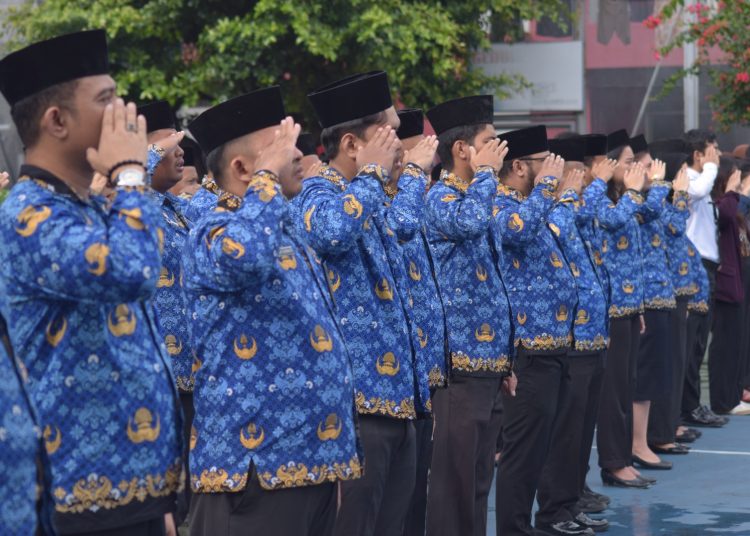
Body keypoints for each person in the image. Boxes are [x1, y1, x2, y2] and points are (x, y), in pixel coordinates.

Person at [0, 30, 183, 534]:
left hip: (133, 491)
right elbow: (136, 270)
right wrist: (129, 172)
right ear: (56, 120)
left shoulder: (84, 208)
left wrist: (157, 499)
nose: (123, 112)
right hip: (77, 498)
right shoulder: (28, 216)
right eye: (105, 99)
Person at [183, 87, 362, 536]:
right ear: (244, 168)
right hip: (256, 469)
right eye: (282, 147)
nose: (298, 154)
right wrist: (266, 176)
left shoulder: (279, 224)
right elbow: (245, 256)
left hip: (312, 459)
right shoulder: (213, 229)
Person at [296, 71, 420, 536]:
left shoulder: (373, 197)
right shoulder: (316, 193)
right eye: (388, 135)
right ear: (352, 145)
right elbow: (330, 231)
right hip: (356, 406)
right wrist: (370, 175)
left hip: (398, 398)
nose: (400, 147)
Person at [422, 95, 513, 536]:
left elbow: (492, 278)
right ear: (462, 150)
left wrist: (504, 357)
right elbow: (471, 223)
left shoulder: (478, 192)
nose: (498, 150)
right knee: (453, 485)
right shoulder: (440, 197)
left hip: (488, 362)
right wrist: (489, 175)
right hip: (457, 363)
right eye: (489, 141)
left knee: (478, 482)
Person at [493, 125, 579, 536]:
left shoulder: (532, 202)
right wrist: (547, 189)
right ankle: (513, 528)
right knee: (522, 453)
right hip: (527, 351)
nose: (554, 172)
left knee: (545, 446)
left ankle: (546, 517)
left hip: (554, 346)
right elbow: (516, 231)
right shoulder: (499, 204)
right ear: (519, 167)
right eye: (545, 165)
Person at [534, 136, 612, 535]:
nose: (582, 179)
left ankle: (571, 500)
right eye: (576, 172)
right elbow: (559, 229)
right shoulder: (552, 207)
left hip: (592, 333)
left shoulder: (573, 206)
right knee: (564, 432)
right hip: (573, 336)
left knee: (581, 430)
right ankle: (554, 510)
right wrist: (566, 193)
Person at [392, 107, 445, 536]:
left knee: (414, 497)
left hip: (421, 373)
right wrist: (410, 174)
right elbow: (399, 229)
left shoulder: (414, 196)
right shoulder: (374, 202)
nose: (426, 165)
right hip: (381, 385)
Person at [595, 130, 651, 489]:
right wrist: (632, 191)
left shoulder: (623, 199)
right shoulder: (599, 198)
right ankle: (612, 462)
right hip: (609, 309)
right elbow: (611, 222)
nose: (633, 169)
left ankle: (625, 457)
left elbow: (634, 256)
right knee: (613, 390)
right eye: (628, 162)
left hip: (630, 306)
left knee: (627, 385)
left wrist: (640, 306)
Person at [647, 153, 698, 452]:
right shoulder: (655, 205)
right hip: (666, 291)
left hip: (676, 289)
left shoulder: (661, 204)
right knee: (666, 364)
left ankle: (670, 423)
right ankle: (661, 430)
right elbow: (676, 227)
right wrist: (678, 195)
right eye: (678, 173)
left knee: (675, 361)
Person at [629, 147, 676, 473]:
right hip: (643, 297)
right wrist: (660, 186)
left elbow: (676, 224)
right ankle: (636, 443)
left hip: (661, 294)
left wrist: (678, 192)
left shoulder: (651, 200)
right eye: (646, 167)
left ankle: (647, 437)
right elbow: (648, 213)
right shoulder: (634, 202)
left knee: (657, 372)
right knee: (643, 376)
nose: (651, 172)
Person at [681, 129, 728, 427]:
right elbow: (696, 192)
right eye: (712, 151)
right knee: (692, 341)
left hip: (707, 266)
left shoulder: (704, 181)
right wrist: (710, 167)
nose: (718, 155)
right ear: (698, 154)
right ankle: (688, 406)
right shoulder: (690, 178)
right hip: (693, 265)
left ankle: (693, 404)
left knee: (700, 342)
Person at [707, 157, 750, 415]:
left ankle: (734, 393)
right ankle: (724, 399)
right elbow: (726, 215)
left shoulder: (731, 203)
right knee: (725, 341)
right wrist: (739, 192)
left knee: (738, 339)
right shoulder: (722, 203)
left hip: (737, 280)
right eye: (733, 176)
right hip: (726, 280)